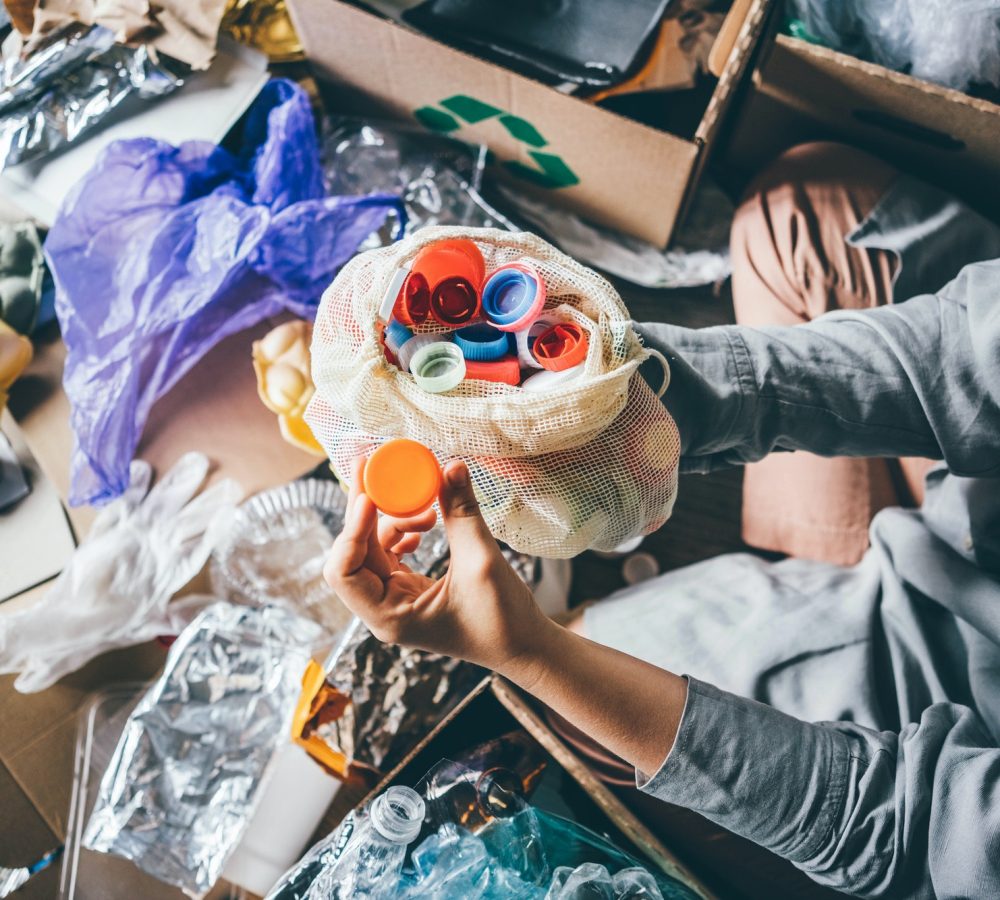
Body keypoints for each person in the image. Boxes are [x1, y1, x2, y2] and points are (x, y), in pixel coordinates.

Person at [324, 142, 1000, 898]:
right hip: (977, 522)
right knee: (794, 208)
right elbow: (953, 359)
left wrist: (532, 653)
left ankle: (837, 570)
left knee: (591, 690)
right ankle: (840, 554)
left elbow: (907, 831)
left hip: (967, 697)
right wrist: (608, 410)